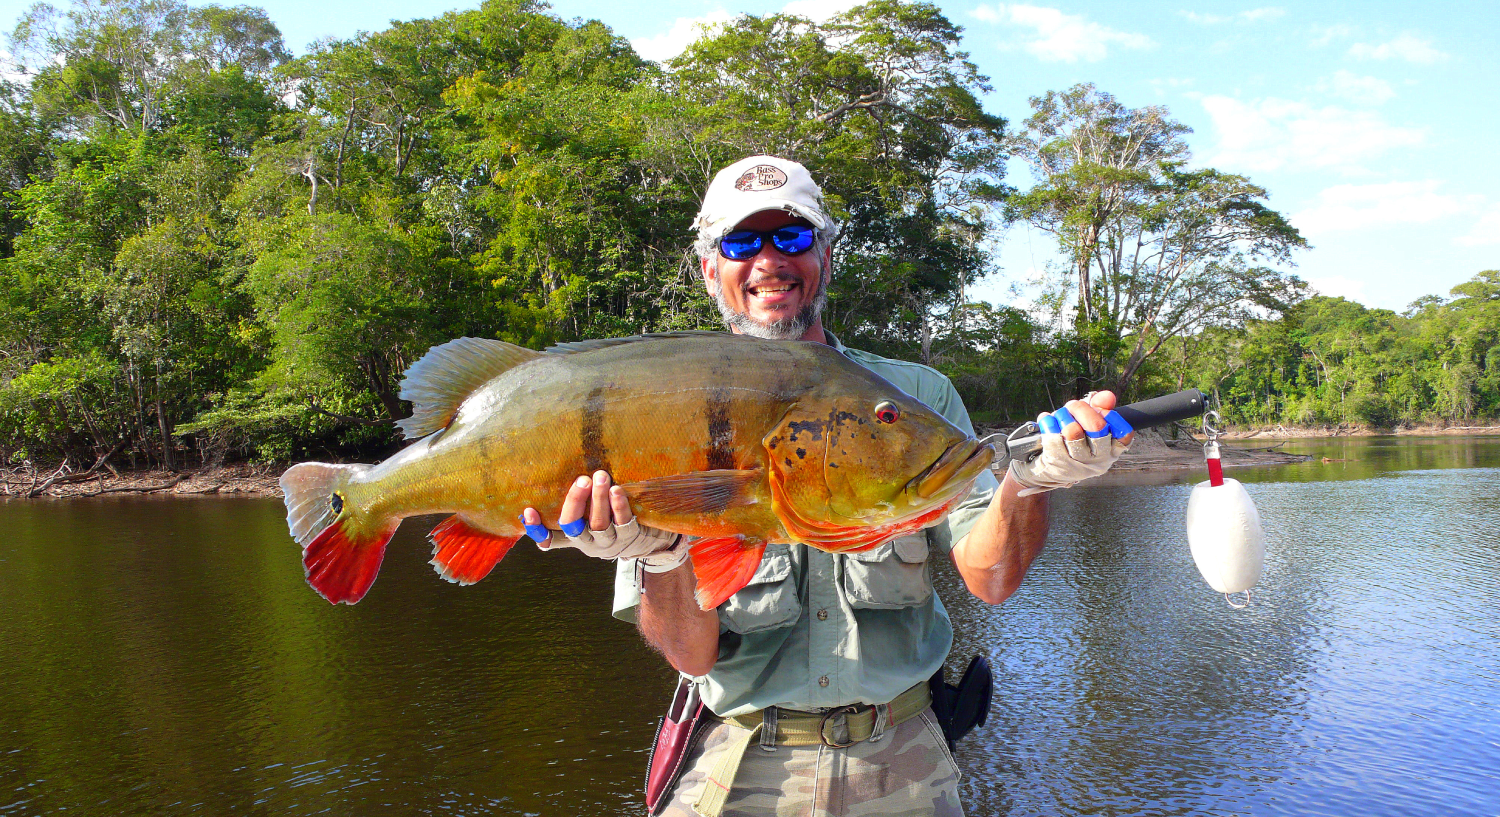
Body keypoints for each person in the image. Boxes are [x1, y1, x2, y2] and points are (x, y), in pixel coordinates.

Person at [520, 156, 1133, 816]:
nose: (768, 260)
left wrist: (1030, 482)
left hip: (903, 762)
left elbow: (992, 576)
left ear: (826, 257)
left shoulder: (915, 398)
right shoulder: (655, 406)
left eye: (792, 237)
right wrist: (660, 554)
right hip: (738, 761)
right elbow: (689, 653)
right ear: (709, 270)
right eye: (739, 242)